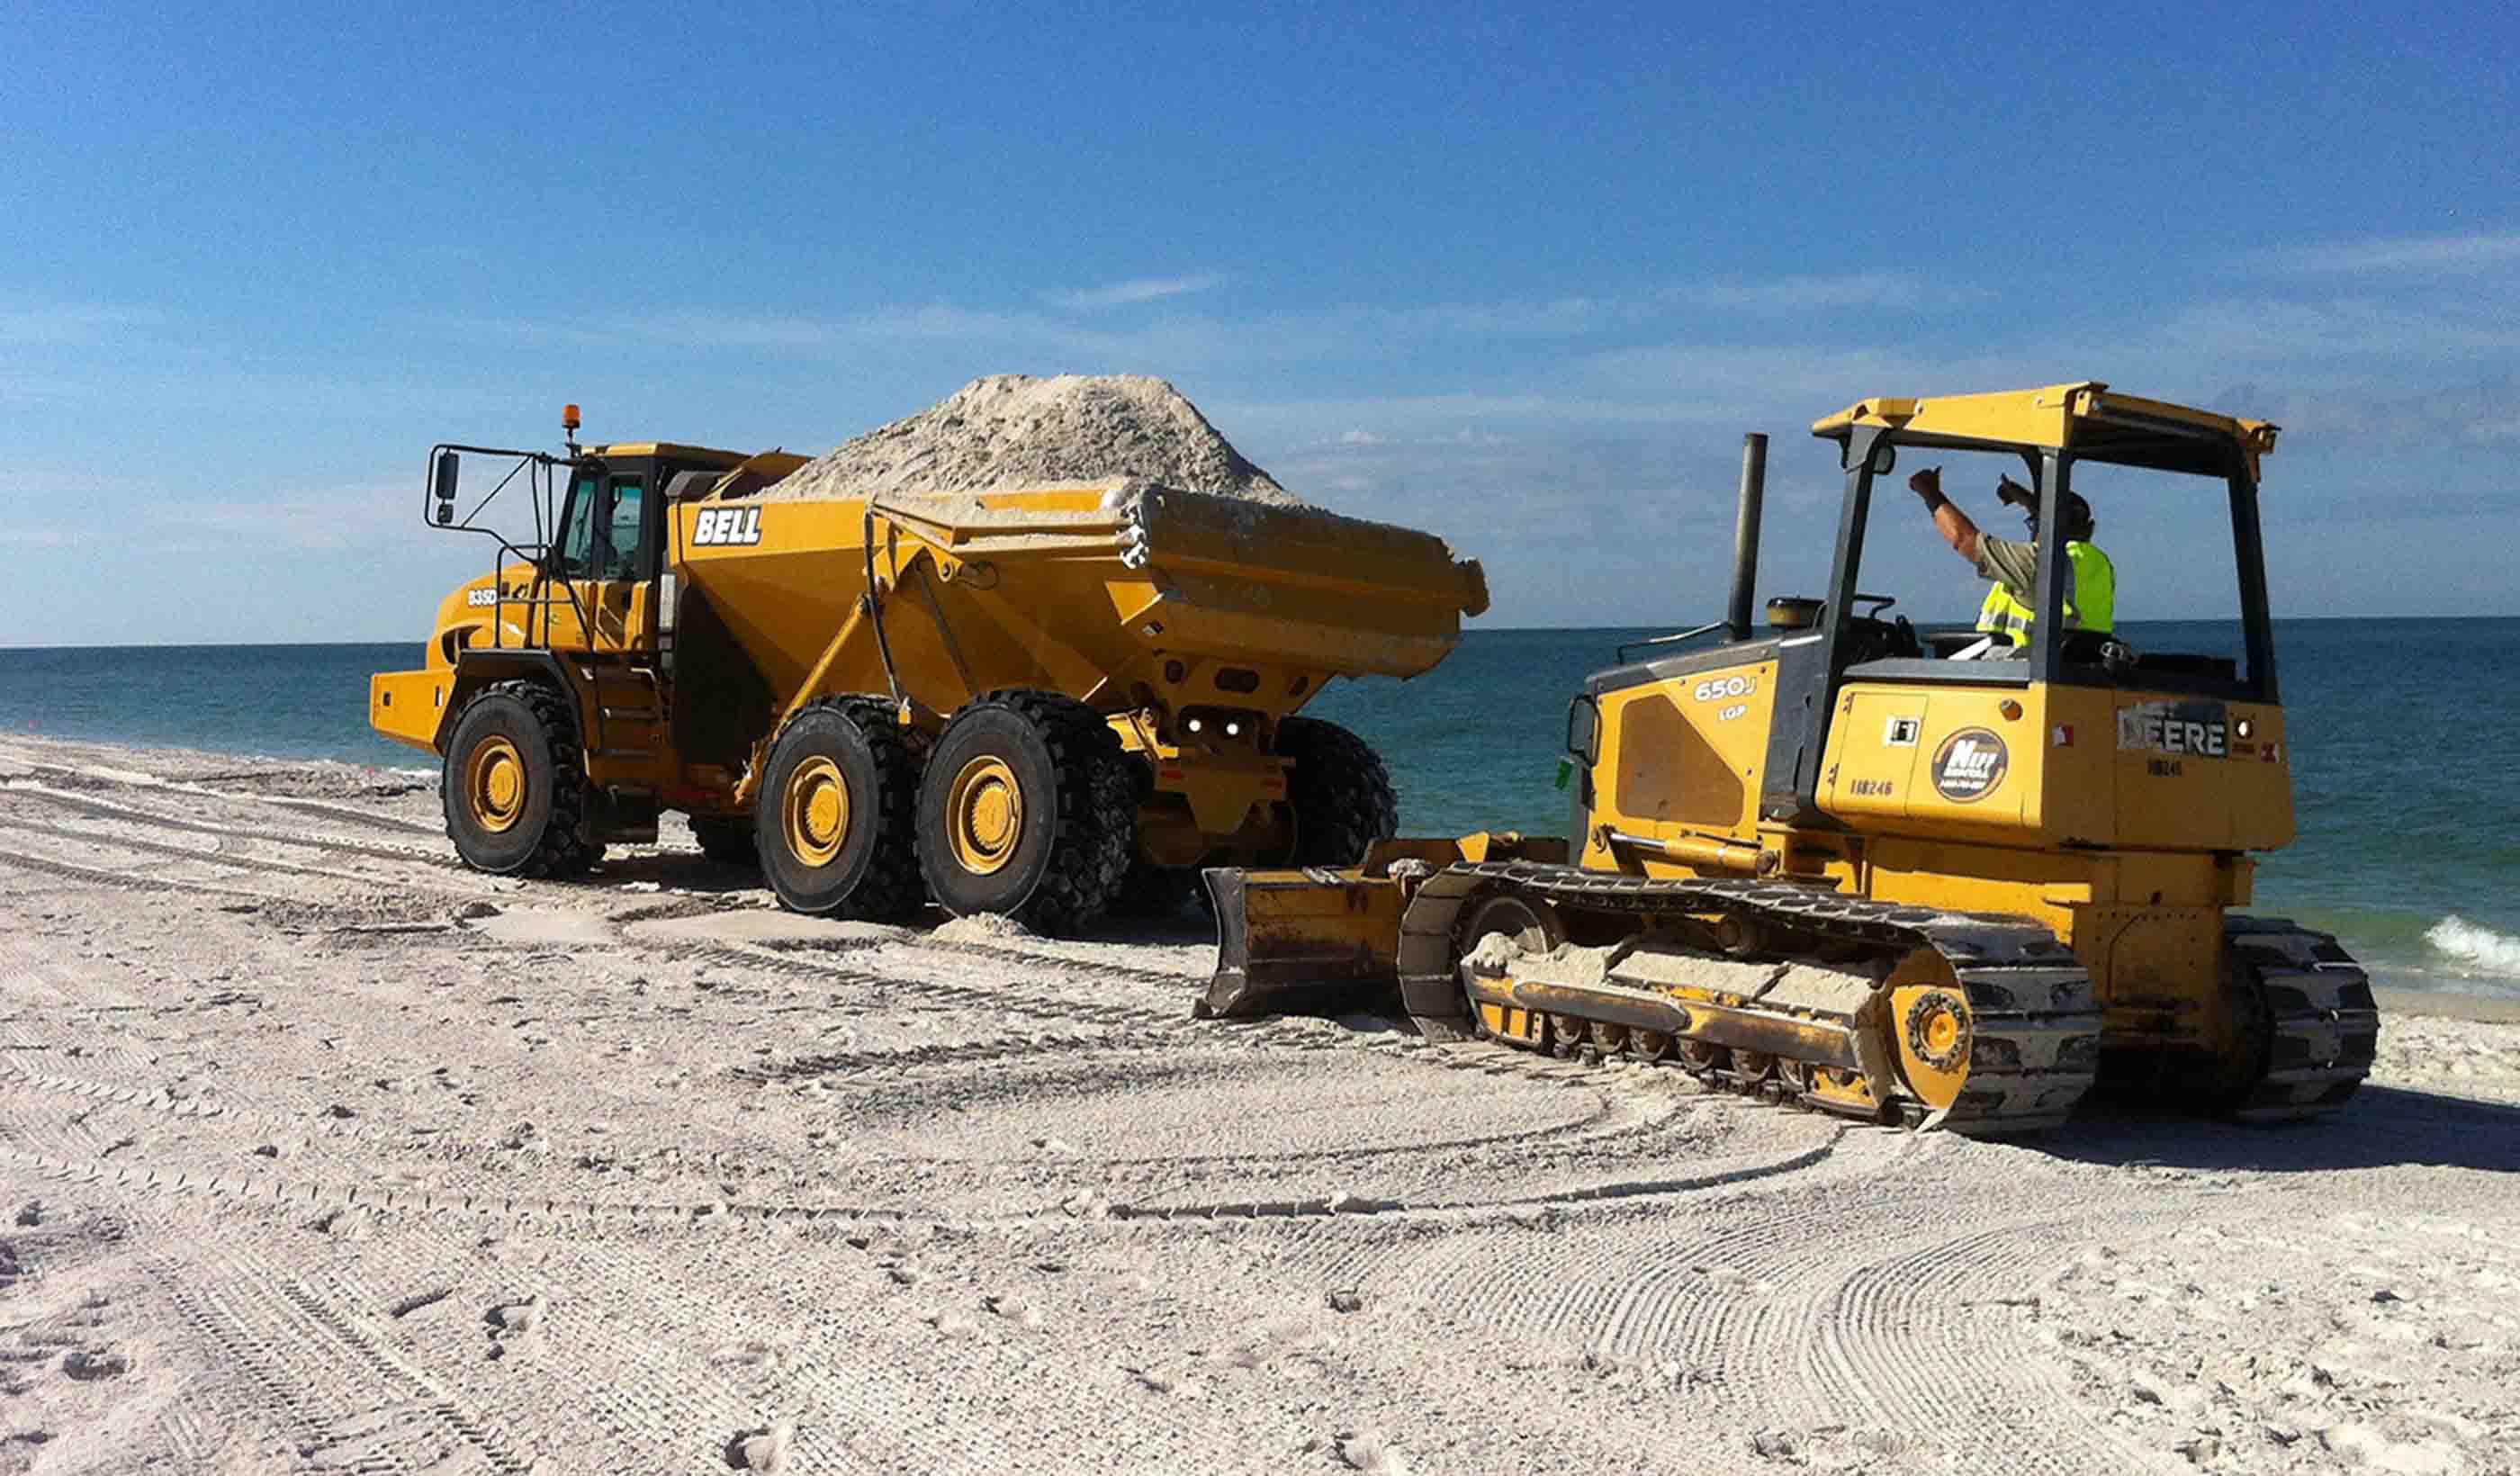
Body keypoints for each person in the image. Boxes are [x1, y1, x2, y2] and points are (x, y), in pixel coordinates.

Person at [1906, 467, 2115, 648]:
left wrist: (1930, 493)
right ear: (2090, 528)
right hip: (2072, 672)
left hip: (2016, 671)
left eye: (2035, 521)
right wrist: (2026, 500)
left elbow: (1965, 540)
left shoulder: (2039, 562)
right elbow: (2058, 521)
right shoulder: (2098, 564)